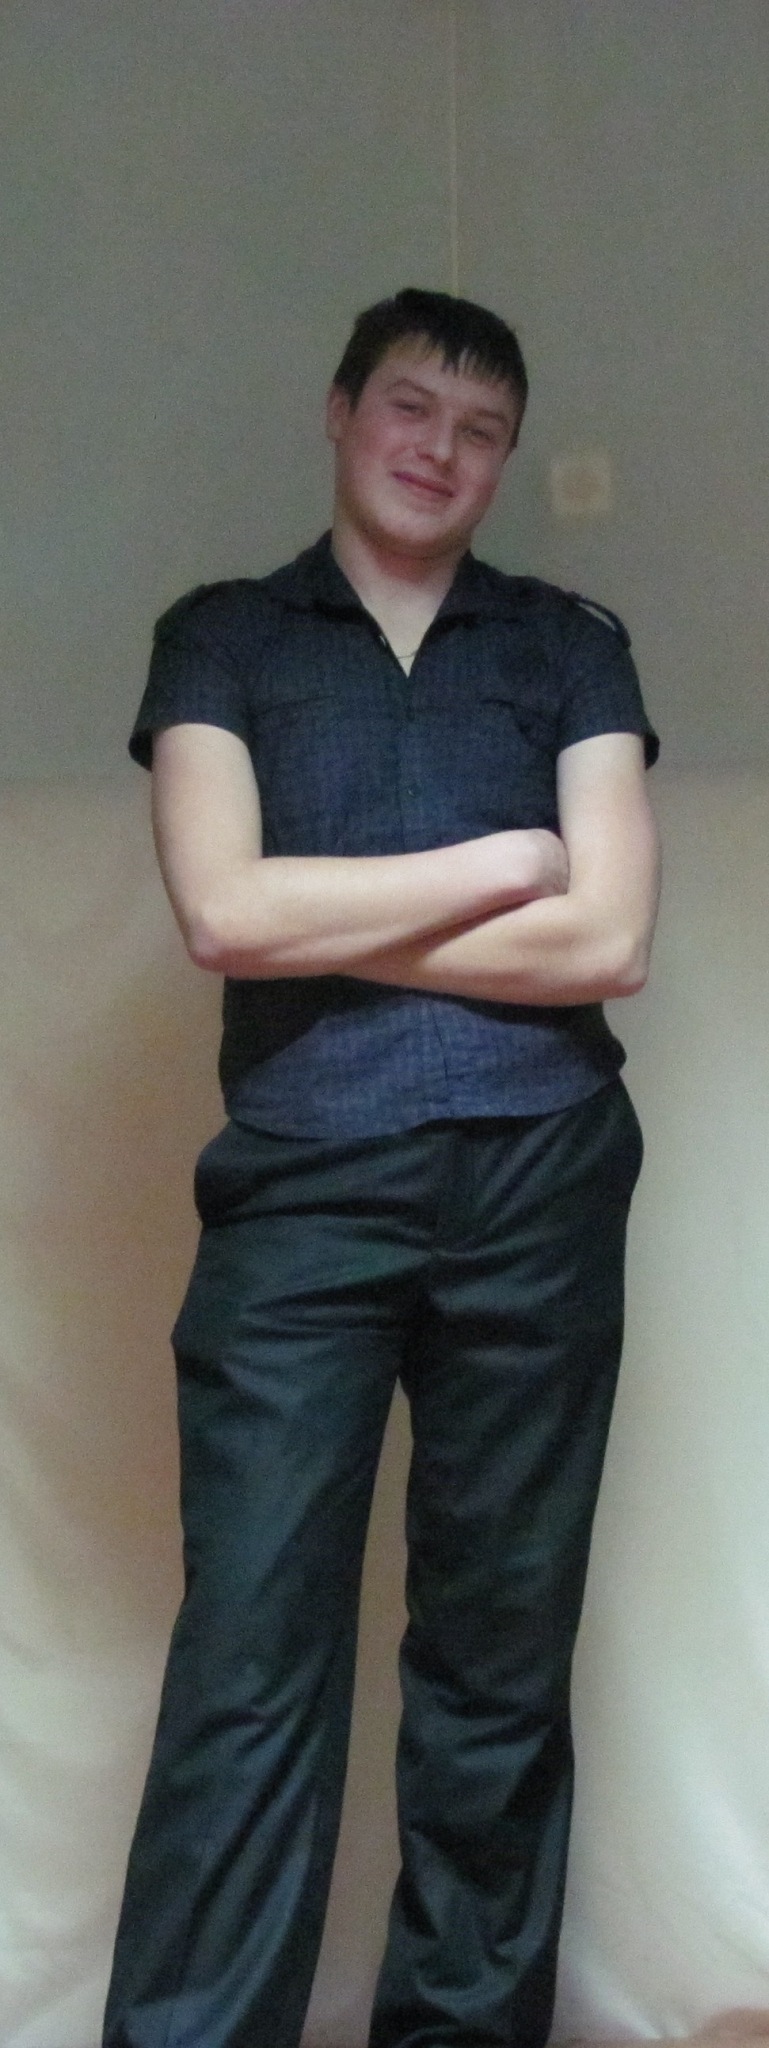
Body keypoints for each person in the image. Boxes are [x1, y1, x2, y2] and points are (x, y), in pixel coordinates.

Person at [103, 288, 660, 2048]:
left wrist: (320, 916)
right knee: (250, 1659)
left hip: (540, 1182)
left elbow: (609, 943)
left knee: (497, 1659)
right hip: (301, 1191)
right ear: (341, 412)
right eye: (411, 407)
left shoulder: (569, 645)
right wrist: (500, 861)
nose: (441, 450)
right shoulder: (222, 639)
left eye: (481, 430)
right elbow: (220, 913)